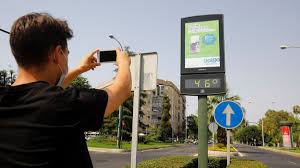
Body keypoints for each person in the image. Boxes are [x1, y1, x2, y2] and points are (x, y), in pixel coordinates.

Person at [0, 12, 131, 168]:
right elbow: (122, 89)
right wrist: (123, 62)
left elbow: (46, 94)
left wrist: (80, 69)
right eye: (67, 53)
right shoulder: (66, 103)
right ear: (57, 54)